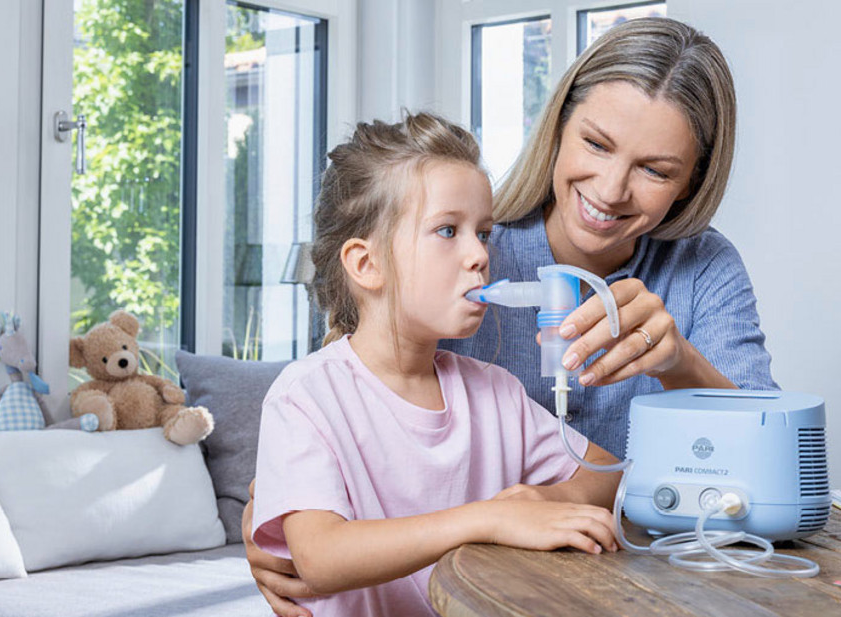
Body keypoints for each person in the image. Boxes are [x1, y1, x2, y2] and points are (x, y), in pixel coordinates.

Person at [247, 17, 777, 615]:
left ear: (691, 183)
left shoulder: (497, 389)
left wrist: (679, 364)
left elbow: (744, 468)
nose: (610, 187)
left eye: (655, 170)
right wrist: (277, 513)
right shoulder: (451, 277)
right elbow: (337, 475)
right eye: (597, 144)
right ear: (556, 128)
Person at [247, 112, 623, 617]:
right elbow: (320, 556)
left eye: (483, 232)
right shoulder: (307, 396)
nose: (479, 255)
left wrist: (540, 504)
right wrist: (488, 520)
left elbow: (606, 472)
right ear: (366, 264)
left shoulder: (494, 392)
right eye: (448, 230)